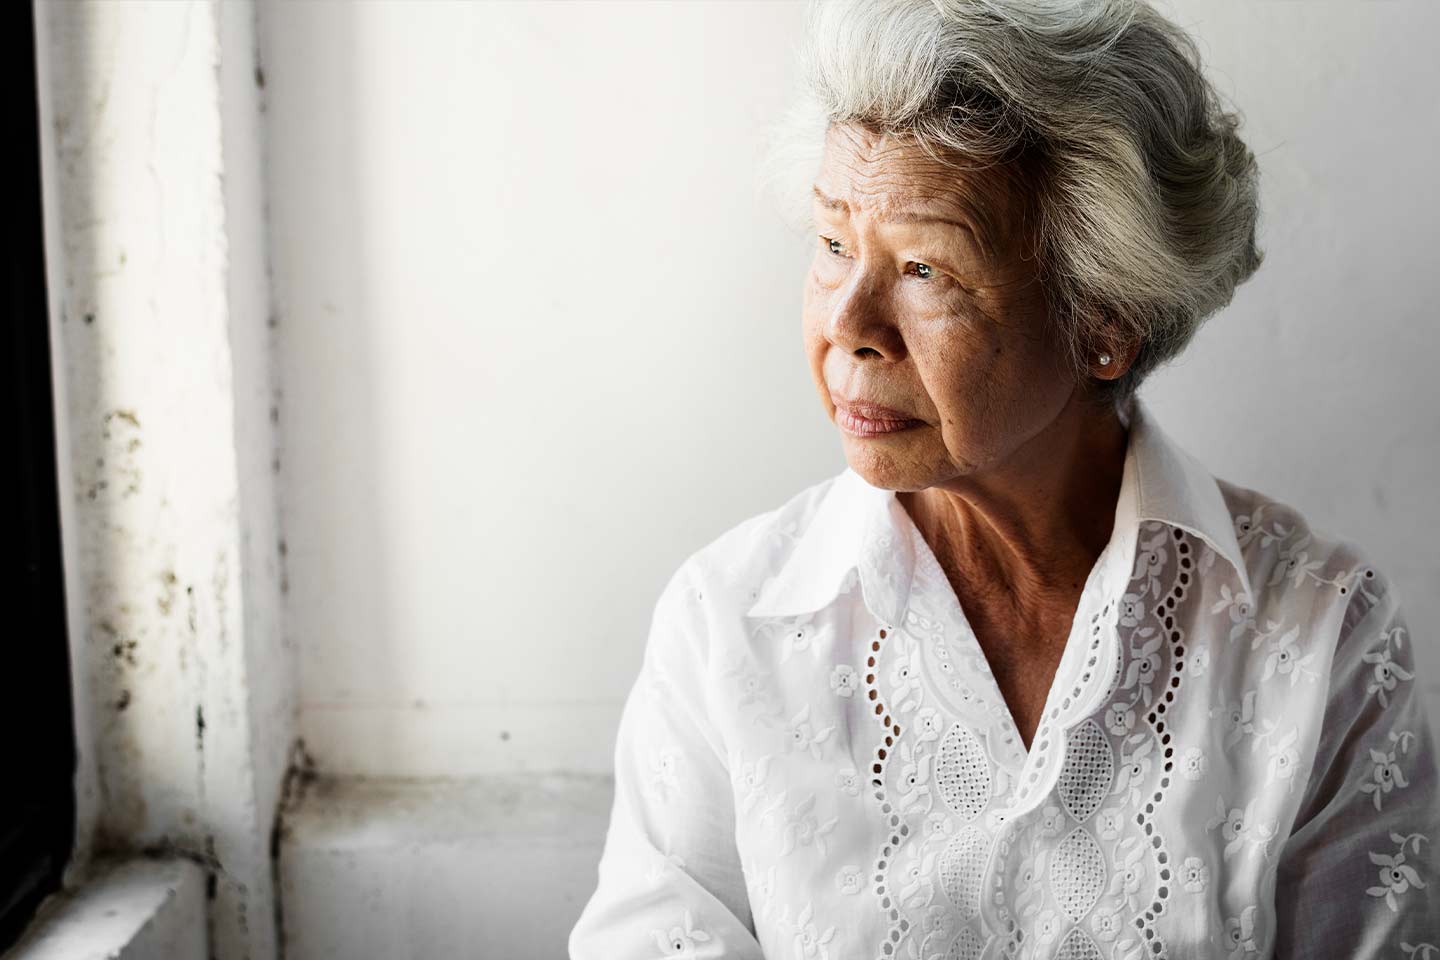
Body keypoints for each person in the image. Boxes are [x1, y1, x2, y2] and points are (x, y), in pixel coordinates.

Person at [570, 1, 1440, 956]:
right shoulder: (728, 623)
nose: (849, 323)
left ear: (1105, 323)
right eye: (833, 244)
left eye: (923, 268)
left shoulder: (1319, 635)